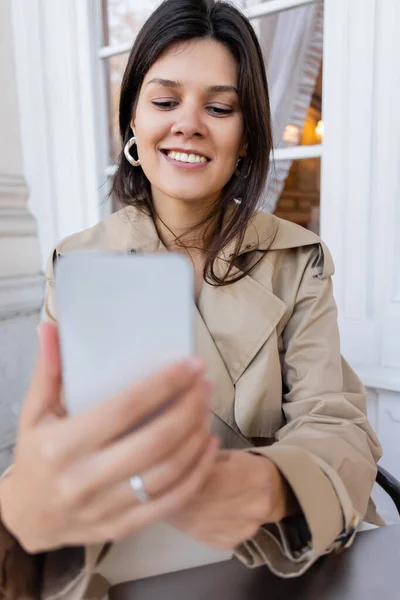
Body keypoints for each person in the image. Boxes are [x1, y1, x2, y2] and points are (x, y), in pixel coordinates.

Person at [0, 0, 383, 597]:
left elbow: (335, 423)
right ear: (132, 120)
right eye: (164, 101)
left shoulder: (296, 259)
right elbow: (58, 441)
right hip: (120, 562)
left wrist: (268, 484)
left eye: (220, 107)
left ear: (247, 133)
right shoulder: (77, 264)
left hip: (265, 562)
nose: (188, 124)